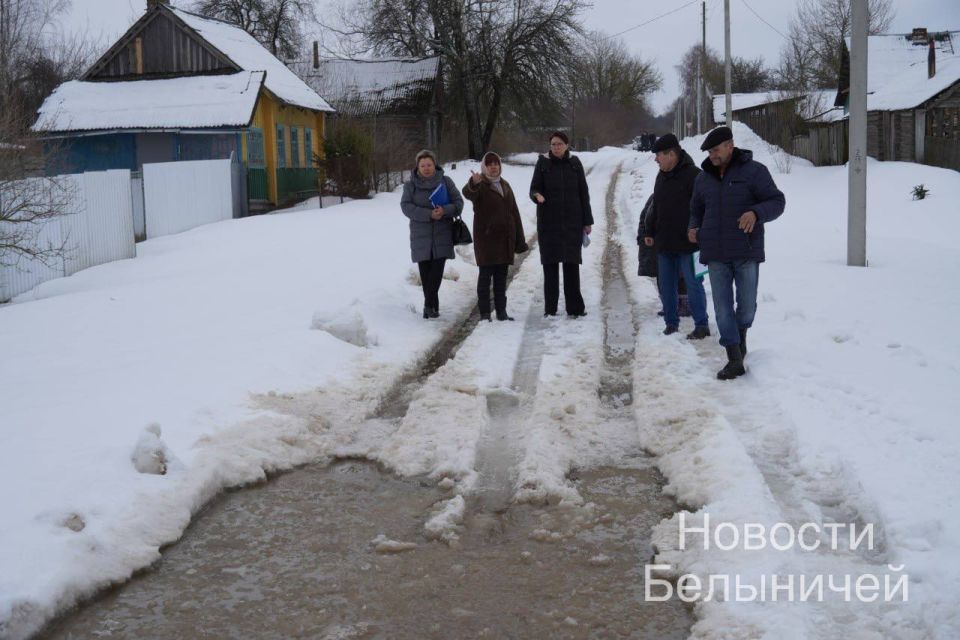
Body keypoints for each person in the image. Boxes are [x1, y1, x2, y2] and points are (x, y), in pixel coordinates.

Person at [689, 126, 786, 380]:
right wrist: (693, 226)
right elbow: (696, 208)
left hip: (746, 251)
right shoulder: (704, 178)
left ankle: (741, 337)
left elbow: (777, 202)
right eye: (709, 151)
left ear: (731, 146)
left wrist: (756, 213)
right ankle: (733, 357)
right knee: (722, 308)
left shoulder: (755, 172)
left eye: (716, 149)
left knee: (746, 307)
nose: (712, 155)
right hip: (715, 253)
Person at [643, 133, 710, 339]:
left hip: (690, 245)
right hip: (665, 242)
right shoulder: (661, 175)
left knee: (693, 284)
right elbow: (656, 207)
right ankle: (671, 323)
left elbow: (704, 208)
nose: (656, 160)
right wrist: (649, 230)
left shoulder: (695, 176)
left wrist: (699, 232)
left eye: (659, 156)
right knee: (666, 285)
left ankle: (701, 325)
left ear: (671, 154)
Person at [529, 131, 593, 318]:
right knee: (550, 266)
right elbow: (533, 188)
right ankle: (550, 309)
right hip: (549, 224)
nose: (556, 147)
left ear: (566, 145)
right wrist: (536, 195)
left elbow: (584, 193)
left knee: (571, 265)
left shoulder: (575, 164)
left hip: (572, 222)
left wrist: (587, 220)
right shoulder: (542, 163)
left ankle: (575, 308)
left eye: (559, 144)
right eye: (553, 144)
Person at [462, 151, 528, 321]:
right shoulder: (481, 184)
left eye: (496, 163)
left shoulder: (505, 185)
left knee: (501, 279)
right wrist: (474, 183)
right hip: (487, 240)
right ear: (484, 167)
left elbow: (514, 213)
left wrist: (519, 240)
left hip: (505, 240)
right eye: (490, 164)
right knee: (485, 279)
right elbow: (468, 193)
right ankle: (484, 313)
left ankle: (501, 311)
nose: (493, 166)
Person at [401, 149, 464, 319]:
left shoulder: (445, 181)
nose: (426, 168)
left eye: (429, 164)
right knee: (426, 274)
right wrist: (428, 214)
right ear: (417, 167)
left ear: (434, 165)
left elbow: (458, 203)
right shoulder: (410, 185)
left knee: (436, 272)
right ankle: (432, 308)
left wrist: (444, 210)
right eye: (423, 165)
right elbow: (406, 206)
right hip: (420, 235)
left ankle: (428, 305)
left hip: (442, 234)